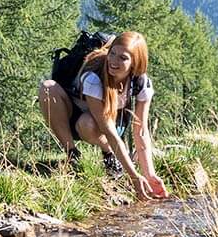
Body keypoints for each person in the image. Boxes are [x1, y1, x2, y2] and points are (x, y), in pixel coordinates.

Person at [37, 31, 169, 200]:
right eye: (112, 53)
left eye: (123, 58)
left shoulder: (141, 82)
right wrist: (134, 177)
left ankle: (112, 156)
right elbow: (107, 130)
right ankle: (74, 155)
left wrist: (149, 175)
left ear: (135, 63)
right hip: (78, 119)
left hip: (115, 122)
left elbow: (141, 131)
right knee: (50, 89)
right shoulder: (94, 77)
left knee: (89, 123)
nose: (113, 61)